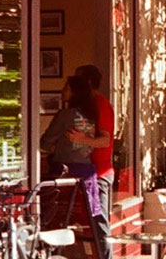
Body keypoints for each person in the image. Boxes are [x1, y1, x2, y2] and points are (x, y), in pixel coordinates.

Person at [41, 75, 102, 226]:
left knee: (62, 216)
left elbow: (45, 142)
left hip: (66, 171)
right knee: (87, 218)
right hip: (87, 171)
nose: (63, 91)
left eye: (67, 88)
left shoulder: (64, 115)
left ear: (76, 93)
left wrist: (52, 147)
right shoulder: (92, 116)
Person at [67, 64, 114, 259]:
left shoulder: (100, 104)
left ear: (87, 82)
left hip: (98, 174)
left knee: (98, 220)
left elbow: (106, 140)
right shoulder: (81, 107)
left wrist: (82, 140)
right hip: (79, 171)